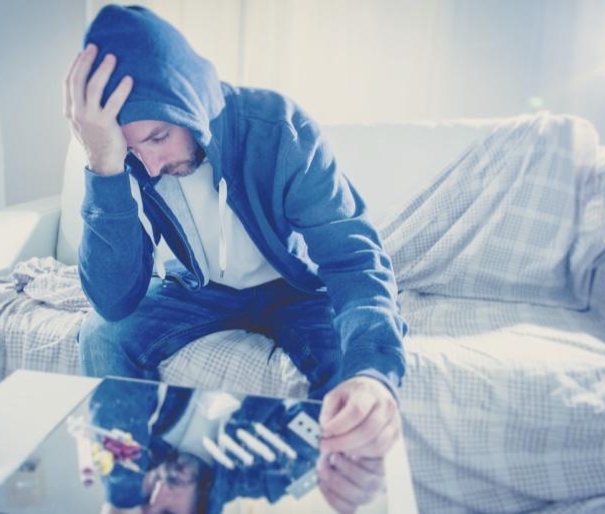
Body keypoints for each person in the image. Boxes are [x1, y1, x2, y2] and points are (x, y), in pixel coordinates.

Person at [64, 6, 407, 513]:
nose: (152, 165)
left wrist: (373, 374)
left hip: (294, 290)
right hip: (199, 290)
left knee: (349, 371)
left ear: (191, 103)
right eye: (135, 151)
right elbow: (114, 301)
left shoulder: (279, 128)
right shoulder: (133, 160)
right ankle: (123, 493)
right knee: (101, 333)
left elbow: (353, 257)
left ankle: (272, 489)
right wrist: (106, 164)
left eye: (159, 137)